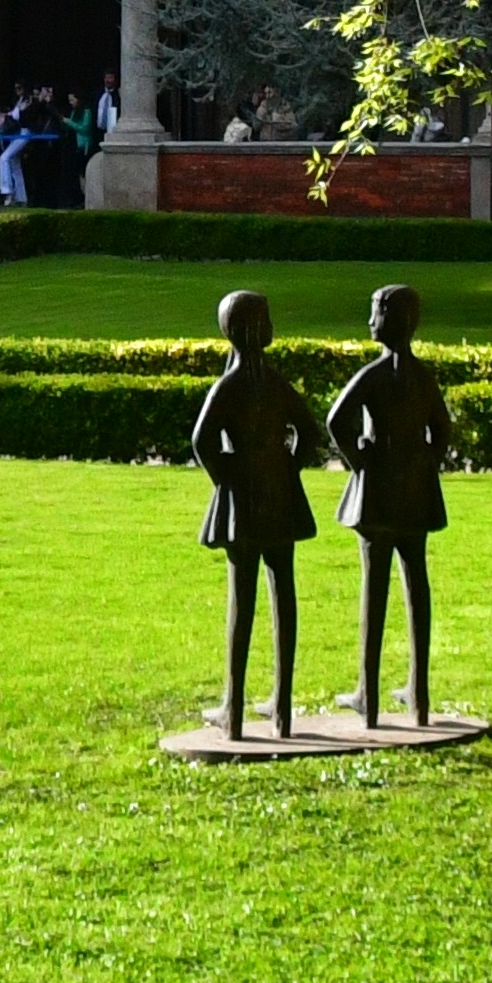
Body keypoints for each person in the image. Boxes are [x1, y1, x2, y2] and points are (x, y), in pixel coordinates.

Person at [188, 289, 318, 739]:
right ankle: (278, 709)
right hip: (278, 498)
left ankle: (236, 709)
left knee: (242, 603)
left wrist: (229, 476)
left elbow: (202, 442)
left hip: (243, 502)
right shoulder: (275, 383)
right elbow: (310, 434)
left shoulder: (231, 386)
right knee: (283, 594)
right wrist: (285, 466)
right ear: (253, 330)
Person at [327, 283, 457, 727]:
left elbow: (335, 420)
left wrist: (361, 459)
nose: (369, 322)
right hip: (414, 492)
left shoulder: (375, 376)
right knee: (416, 585)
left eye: (375, 313)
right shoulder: (422, 378)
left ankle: (370, 694)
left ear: (392, 319)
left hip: (379, 490)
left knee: (375, 590)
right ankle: (417, 694)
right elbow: (442, 429)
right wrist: (424, 463)